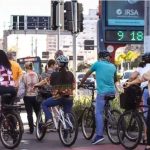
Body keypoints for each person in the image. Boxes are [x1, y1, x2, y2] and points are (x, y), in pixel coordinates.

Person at [79, 51, 117, 145]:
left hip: (102, 92)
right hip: (112, 91)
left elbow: (87, 74)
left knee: (98, 113)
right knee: (105, 107)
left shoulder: (97, 64)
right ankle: (109, 115)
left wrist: (81, 83)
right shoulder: (113, 66)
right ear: (107, 57)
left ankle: (99, 135)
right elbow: (115, 79)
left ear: (100, 57)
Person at [42, 55, 75, 125]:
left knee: (44, 104)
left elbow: (49, 84)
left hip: (58, 97)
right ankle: (67, 129)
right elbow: (74, 86)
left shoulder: (55, 74)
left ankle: (49, 118)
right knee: (67, 115)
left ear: (58, 64)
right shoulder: (71, 74)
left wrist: (37, 85)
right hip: (70, 98)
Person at [23, 62, 39, 134]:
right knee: (37, 112)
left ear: (26, 67)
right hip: (35, 95)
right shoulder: (36, 74)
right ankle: (40, 127)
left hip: (27, 95)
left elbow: (24, 85)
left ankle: (31, 129)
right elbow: (38, 84)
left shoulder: (25, 75)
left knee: (29, 113)